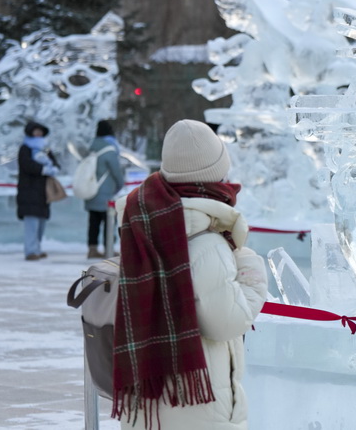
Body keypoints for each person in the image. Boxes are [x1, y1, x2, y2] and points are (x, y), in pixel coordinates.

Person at [113, 119, 267, 430]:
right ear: (217, 173)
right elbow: (226, 323)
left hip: (148, 400)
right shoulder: (208, 242)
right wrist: (252, 272)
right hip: (198, 403)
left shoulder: (144, 223)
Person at [17, 120, 60, 261]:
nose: (38, 133)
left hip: (43, 192)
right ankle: (30, 251)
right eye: (36, 130)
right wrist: (43, 169)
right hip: (29, 191)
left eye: (40, 131)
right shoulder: (25, 148)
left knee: (41, 223)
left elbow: (55, 162)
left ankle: (37, 248)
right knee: (31, 223)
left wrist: (54, 168)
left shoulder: (45, 148)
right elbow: (26, 165)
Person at [84, 120, 126, 259]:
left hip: (91, 189)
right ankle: (109, 248)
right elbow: (116, 171)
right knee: (109, 221)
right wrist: (120, 184)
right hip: (106, 191)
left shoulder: (91, 147)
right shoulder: (109, 149)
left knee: (93, 222)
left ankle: (92, 249)